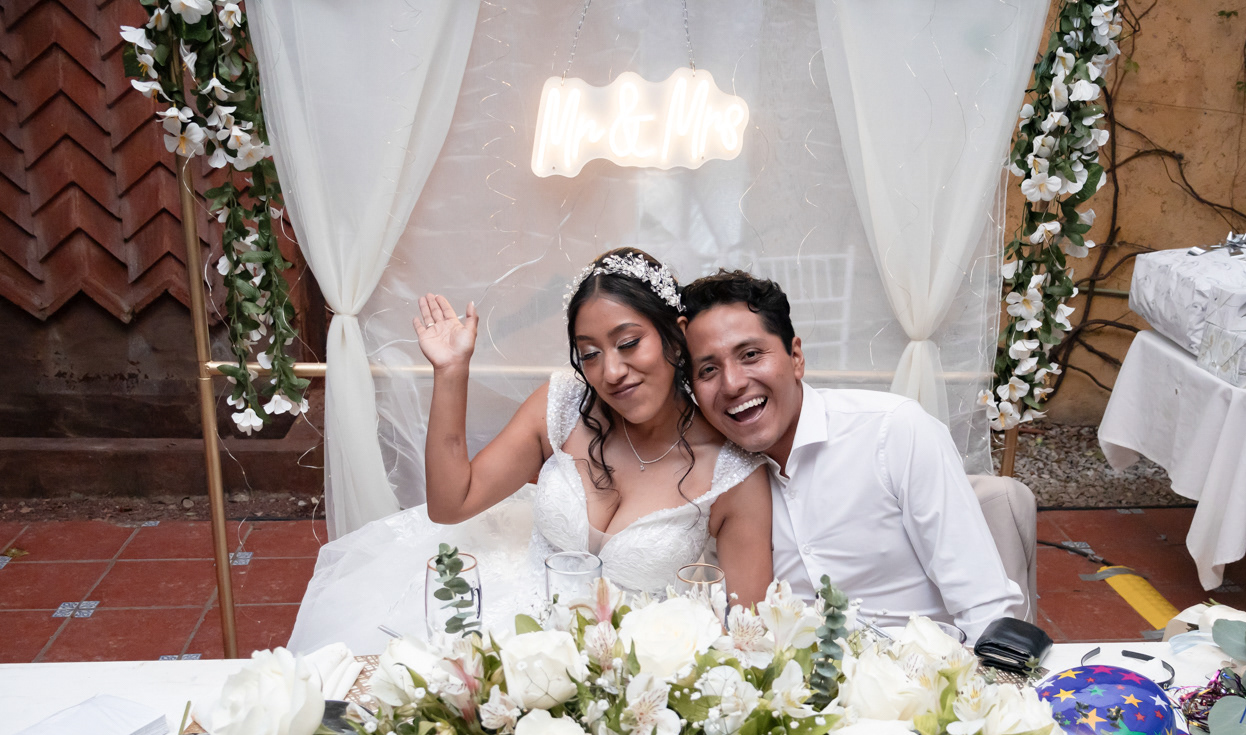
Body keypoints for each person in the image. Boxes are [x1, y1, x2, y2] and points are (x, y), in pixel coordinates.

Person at [289, 249, 772, 654]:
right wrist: (451, 371)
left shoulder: (733, 475)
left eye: (628, 343)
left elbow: (746, 637)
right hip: (513, 636)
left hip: (639, 672)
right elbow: (452, 503)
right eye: (590, 353)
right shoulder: (561, 406)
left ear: (676, 335)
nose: (611, 372)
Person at [680, 268, 1026, 639]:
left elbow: (985, 604)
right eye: (708, 369)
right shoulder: (719, 477)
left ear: (796, 357)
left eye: (750, 354)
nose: (732, 383)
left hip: (926, 666)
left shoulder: (893, 432)